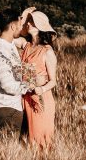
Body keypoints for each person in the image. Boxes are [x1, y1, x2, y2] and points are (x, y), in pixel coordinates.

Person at [0, 7, 35, 135]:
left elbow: (16, 69)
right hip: (5, 107)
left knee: (19, 147)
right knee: (11, 150)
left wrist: (23, 17)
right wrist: (31, 85)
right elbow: (7, 85)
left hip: (9, 106)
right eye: (19, 25)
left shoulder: (5, 41)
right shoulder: (1, 51)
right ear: (12, 27)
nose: (21, 28)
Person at [15, 11, 57, 148]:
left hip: (41, 98)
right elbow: (8, 35)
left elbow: (53, 81)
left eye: (32, 22)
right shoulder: (25, 45)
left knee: (40, 139)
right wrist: (23, 20)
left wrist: (41, 89)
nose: (29, 24)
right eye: (29, 22)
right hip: (24, 97)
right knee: (25, 139)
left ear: (41, 26)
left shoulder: (47, 51)